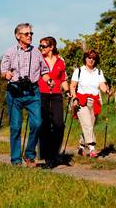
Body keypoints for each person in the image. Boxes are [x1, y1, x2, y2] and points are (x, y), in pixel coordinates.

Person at [0, 23, 54, 167]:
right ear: (18, 36)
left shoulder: (36, 52)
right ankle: (16, 160)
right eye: (26, 34)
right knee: (16, 127)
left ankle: (30, 155)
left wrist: (49, 80)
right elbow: (3, 72)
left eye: (31, 34)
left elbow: (44, 71)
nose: (30, 36)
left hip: (32, 92)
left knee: (37, 123)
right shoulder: (9, 52)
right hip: (15, 92)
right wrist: (7, 75)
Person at [38, 36, 71, 168]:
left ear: (51, 47)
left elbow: (63, 79)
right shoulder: (39, 60)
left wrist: (67, 91)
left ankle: (55, 152)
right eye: (40, 46)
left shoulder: (60, 61)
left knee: (59, 125)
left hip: (57, 94)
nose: (41, 48)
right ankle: (47, 157)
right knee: (44, 125)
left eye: (44, 46)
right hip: (42, 94)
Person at [70, 49, 110, 158]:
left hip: (94, 101)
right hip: (80, 101)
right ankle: (92, 148)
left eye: (93, 58)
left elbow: (101, 84)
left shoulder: (98, 72)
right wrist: (74, 98)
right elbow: (73, 86)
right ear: (85, 58)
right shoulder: (78, 71)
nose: (91, 60)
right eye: (89, 57)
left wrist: (106, 90)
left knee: (90, 126)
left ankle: (81, 147)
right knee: (87, 124)